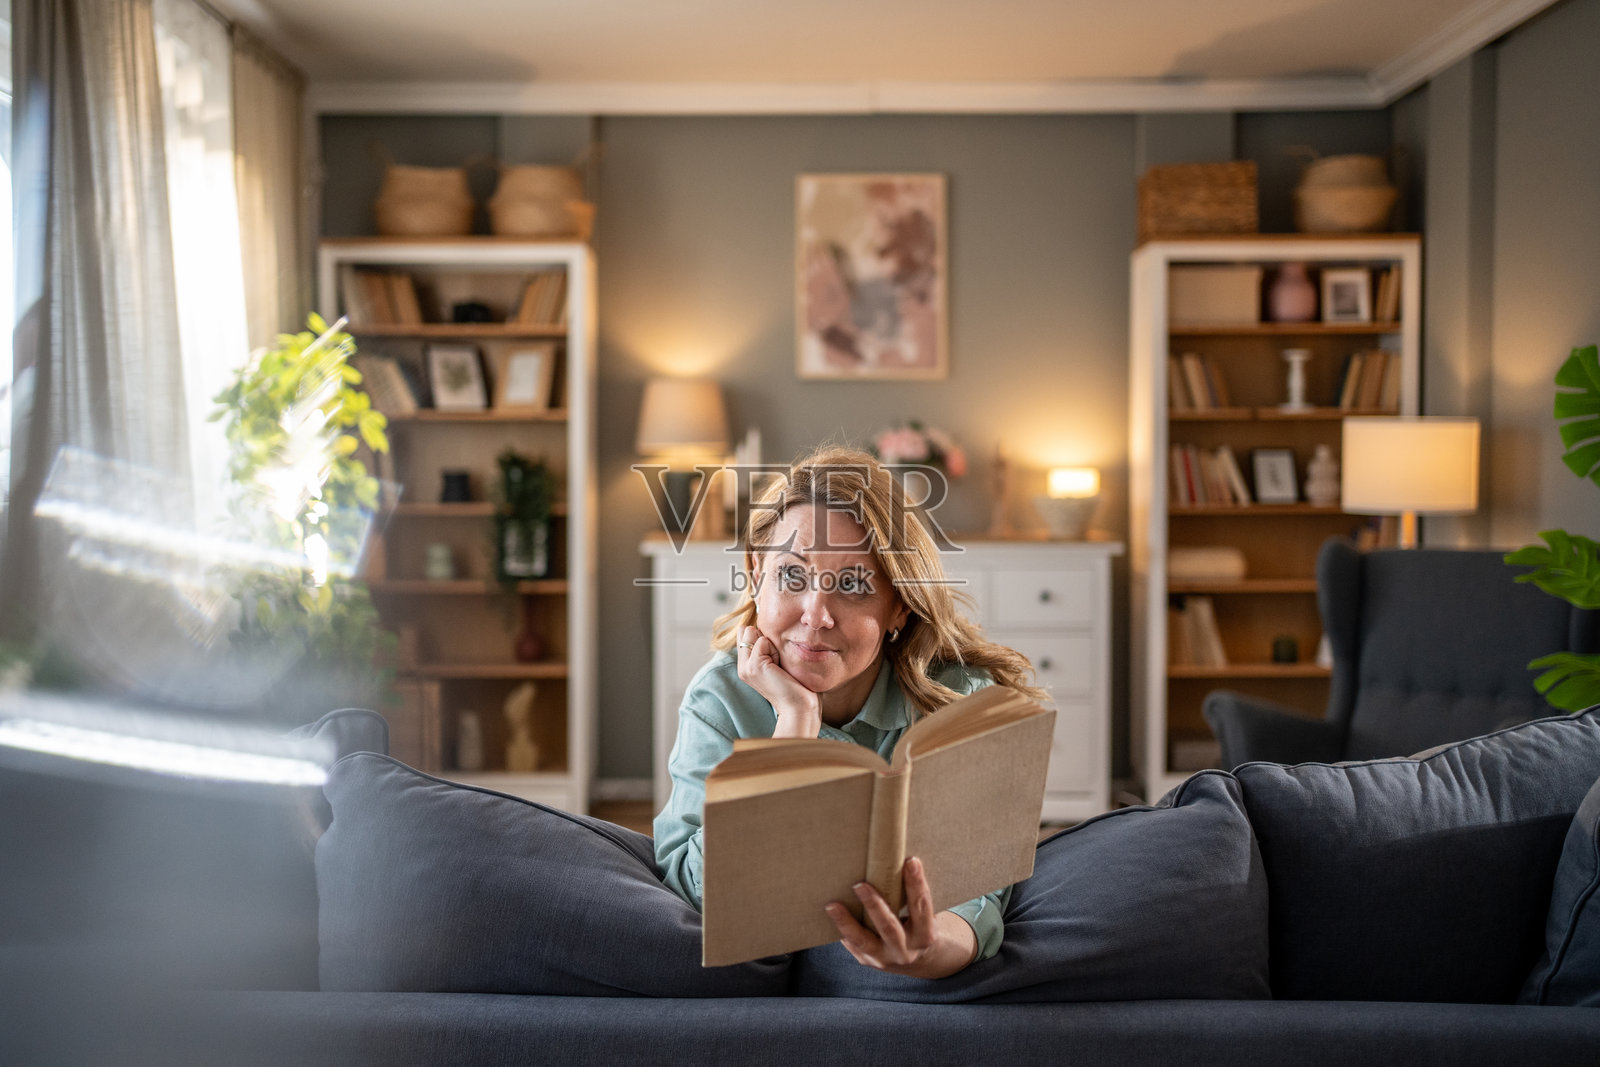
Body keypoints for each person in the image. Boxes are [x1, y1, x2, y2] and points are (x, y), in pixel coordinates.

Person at [654, 445, 1044, 979]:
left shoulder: (959, 700)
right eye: (792, 576)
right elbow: (697, 889)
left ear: (899, 608)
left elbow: (977, 897)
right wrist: (793, 731)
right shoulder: (719, 698)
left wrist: (926, 951)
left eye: (855, 585)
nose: (816, 615)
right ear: (755, 574)